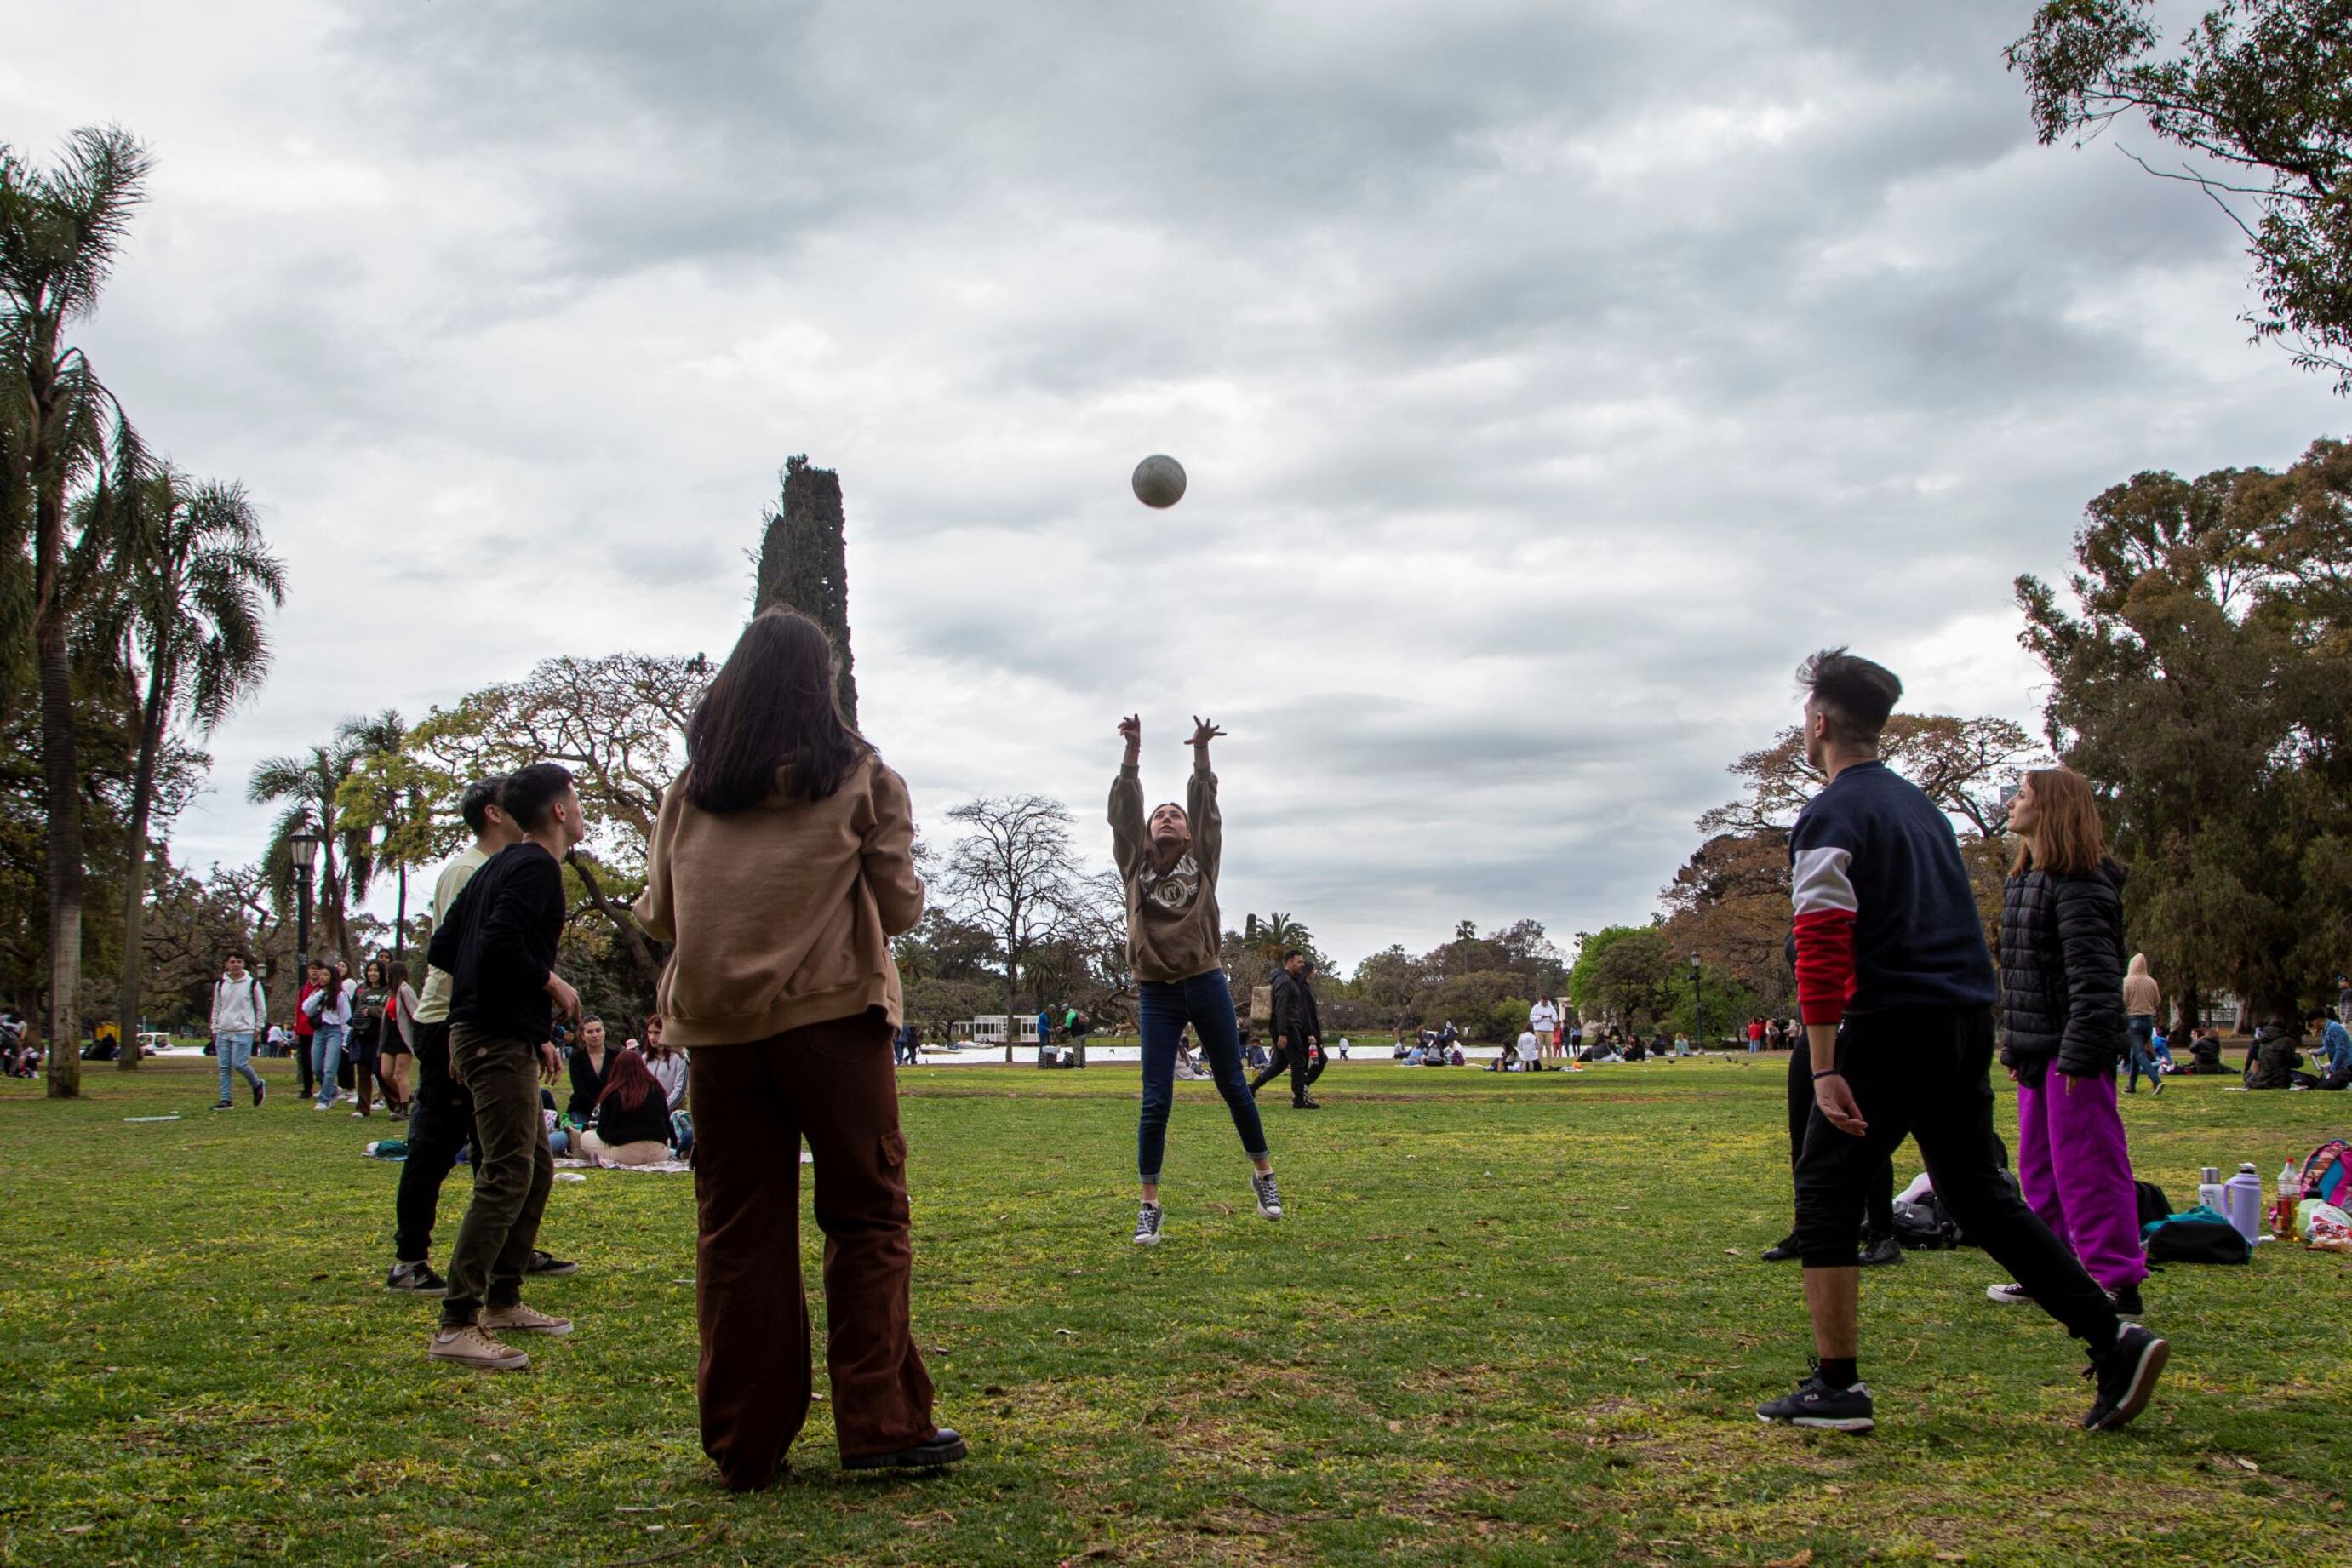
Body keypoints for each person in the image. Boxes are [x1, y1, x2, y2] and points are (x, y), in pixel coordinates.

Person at [1758, 649, 2165, 1436]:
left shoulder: (1833, 813)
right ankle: (2112, 1338)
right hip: (1960, 1018)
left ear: (1816, 723)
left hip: (1886, 1022)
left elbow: (1821, 940)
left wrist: (1826, 1060)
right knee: (1978, 1193)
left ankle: (1836, 1386)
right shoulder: (1920, 809)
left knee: (1825, 1191)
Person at [632, 607, 959, 1485]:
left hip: (722, 1039)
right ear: (823, 684)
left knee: (739, 1234)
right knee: (866, 1216)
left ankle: (746, 1441)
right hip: (832, 1022)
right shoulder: (861, 778)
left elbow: (660, 914)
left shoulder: (690, 791)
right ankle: (880, 1426)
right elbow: (898, 908)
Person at [424, 763, 586, 1371]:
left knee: (534, 1168)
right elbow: (496, 944)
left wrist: (530, 1026)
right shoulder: (538, 865)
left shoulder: (495, 866)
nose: (578, 806)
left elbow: (446, 947)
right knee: (506, 1173)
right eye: (575, 797)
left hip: (493, 1031)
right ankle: (457, 1322)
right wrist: (551, 983)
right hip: (490, 1037)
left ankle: (504, 1299)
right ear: (558, 811)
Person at [386, 780, 567, 1297]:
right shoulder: (472, 869)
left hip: (485, 1020)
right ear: (495, 812)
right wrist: (538, 987)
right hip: (458, 1020)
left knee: (513, 1156)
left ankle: (507, 1256)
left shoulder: (500, 866)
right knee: (439, 1145)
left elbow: (458, 949)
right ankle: (412, 1260)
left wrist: (533, 1027)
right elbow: (472, 952)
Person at [1985, 766, 2152, 1316]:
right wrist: (2015, 1046)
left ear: (2050, 808)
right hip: (2039, 1052)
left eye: (2023, 795)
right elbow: (2020, 977)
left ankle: (2115, 1282)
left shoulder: (2080, 884)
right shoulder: (2023, 879)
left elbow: (2094, 982)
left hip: (2073, 1053)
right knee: (2038, 1169)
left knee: (2089, 1166)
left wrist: (2078, 1054)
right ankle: (2050, 1273)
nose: (2012, 803)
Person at [1112, 712, 1281, 1247]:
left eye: (1174, 815)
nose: (1166, 818)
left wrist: (1202, 759)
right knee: (1155, 1098)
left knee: (1233, 1084)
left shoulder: (1202, 863)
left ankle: (1265, 1177)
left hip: (1205, 981)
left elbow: (1210, 815)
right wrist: (1132, 756)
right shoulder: (1132, 865)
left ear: (1186, 832)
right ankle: (1149, 1206)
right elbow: (1123, 815)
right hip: (1156, 992)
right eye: (1159, 815)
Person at [1250, 949, 1325, 1109]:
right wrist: (1283, 1033)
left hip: (1284, 1027)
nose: (1302, 965)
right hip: (1287, 1027)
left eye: (1303, 962)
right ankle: (1299, 1099)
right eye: (1299, 962)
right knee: (1299, 1062)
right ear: (1290, 962)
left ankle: (1252, 1088)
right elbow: (1281, 1007)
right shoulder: (1285, 982)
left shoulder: (1286, 979)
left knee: (1281, 1063)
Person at [579, 1049, 674, 1166]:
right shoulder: (657, 1090)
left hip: (624, 1155)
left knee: (585, 1137)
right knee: (667, 1141)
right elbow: (666, 1126)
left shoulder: (612, 1093)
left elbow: (602, 1133)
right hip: (658, 1155)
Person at [208, 950, 268, 1111]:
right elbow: (217, 1007)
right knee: (224, 1066)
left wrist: (258, 1027)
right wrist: (214, 1026)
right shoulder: (221, 984)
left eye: (239, 962)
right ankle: (226, 1099)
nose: (236, 965)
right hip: (224, 1029)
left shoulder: (252, 984)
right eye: (233, 962)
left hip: (244, 1029)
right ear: (227, 964)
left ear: (243, 964)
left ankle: (257, 1084)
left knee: (239, 1064)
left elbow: (261, 1007)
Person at [303, 960, 352, 1111]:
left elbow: (345, 1018)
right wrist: (321, 994)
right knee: (317, 1066)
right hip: (319, 1031)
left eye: (326, 975)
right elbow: (306, 1009)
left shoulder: (340, 995)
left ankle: (325, 1099)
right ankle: (332, 1089)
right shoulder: (317, 993)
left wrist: (345, 1040)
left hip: (334, 1030)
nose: (322, 977)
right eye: (322, 975)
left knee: (330, 1067)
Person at [346, 959, 392, 1119]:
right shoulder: (363, 992)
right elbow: (357, 1012)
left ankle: (396, 1103)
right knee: (363, 1073)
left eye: (376, 970)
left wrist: (371, 1010)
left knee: (382, 1073)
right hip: (362, 1037)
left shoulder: (388, 991)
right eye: (370, 970)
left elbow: (387, 1012)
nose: (372, 973)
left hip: (380, 1037)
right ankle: (363, 1108)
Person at [380, 959, 419, 1116]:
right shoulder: (391, 993)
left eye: (389, 975)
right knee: (385, 1073)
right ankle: (408, 1096)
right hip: (390, 1036)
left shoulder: (405, 990)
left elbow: (415, 1012)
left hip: (403, 1036)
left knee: (400, 1073)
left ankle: (403, 1107)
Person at [2121, 953, 2163, 1096]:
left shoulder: (2127, 982)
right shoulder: (2151, 982)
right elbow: (2157, 1001)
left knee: (2139, 1053)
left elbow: (2123, 1001)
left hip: (2133, 1020)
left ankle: (2156, 1081)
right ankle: (2131, 1086)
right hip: (2148, 1021)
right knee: (2135, 1054)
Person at [566, 1016, 612, 1125]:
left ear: (604, 1032)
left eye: (598, 1030)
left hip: (612, 1109)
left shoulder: (617, 1056)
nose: (595, 1035)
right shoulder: (576, 1058)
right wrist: (598, 1110)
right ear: (582, 1035)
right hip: (583, 1109)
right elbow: (579, 1091)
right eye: (590, 1032)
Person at [638, 1015, 688, 1112]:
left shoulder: (680, 1057)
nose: (652, 1037)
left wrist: (662, 1108)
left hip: (672, 1113)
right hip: (649, 1112)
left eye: (657, 1033)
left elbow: (680, 1089)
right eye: (650, 1033)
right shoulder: (645, 1058)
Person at [293, 964, 318, 1099]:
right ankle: (307, 1087)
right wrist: (296, 1029)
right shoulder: (303, 990)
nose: (315, 971)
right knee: (305, 1060)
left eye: (318, 969)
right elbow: (298, 1009)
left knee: (318, 1060)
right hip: (303, 1029)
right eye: (313, 968)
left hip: (317, 1029)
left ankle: (325, 1084)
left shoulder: (323, 989)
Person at [1529, 996, 1559, 1061]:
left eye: (1545, 1002)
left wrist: (1551, 1018)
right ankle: (1539, 1064)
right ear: (1540, 1000)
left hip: (1549, 1030)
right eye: (1542, 1002)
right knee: (1540, 1048)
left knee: (1549, 1048)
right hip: (1538, 1030)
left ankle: (1550, 1064)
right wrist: (1540, 1017)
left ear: (1547, 1001)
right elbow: (1531, 1018)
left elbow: (1556, 1019)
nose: (1544, 1003)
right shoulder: (1536, 1007)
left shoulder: (1551, 1008)